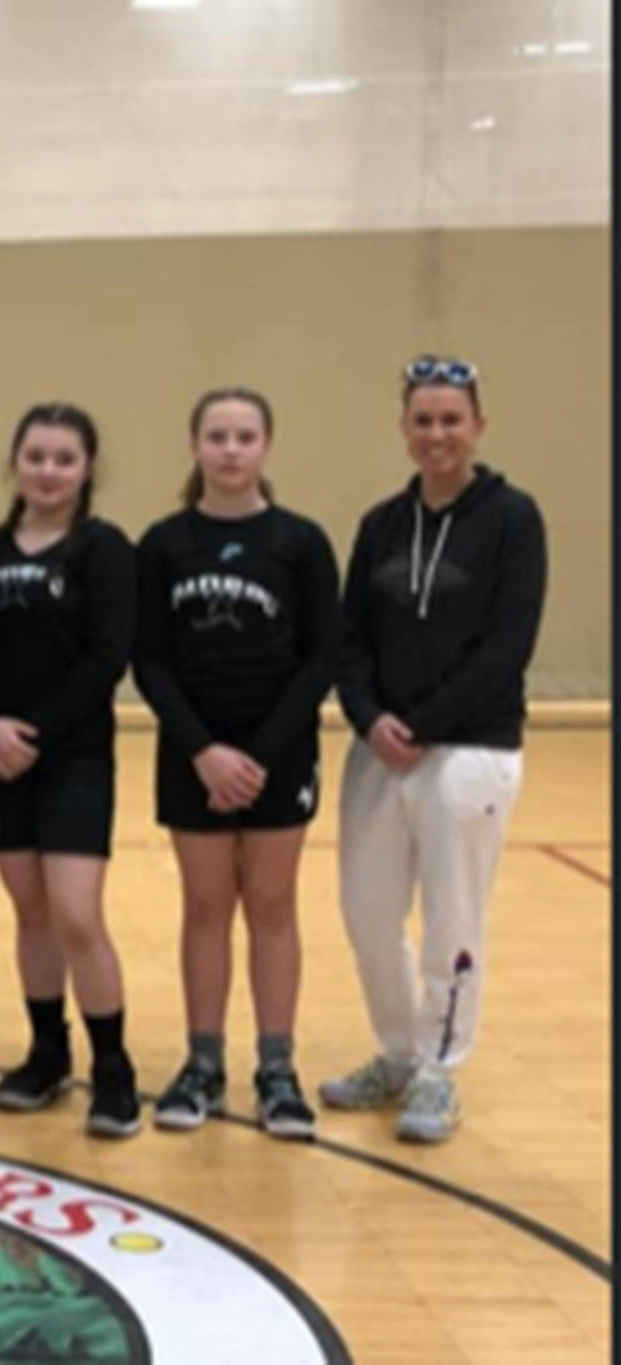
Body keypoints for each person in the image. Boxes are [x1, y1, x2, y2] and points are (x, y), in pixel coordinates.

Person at [324, 355, 546, 1143]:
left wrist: (421, 721)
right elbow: (349, 638)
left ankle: (438, 1069)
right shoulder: (382, 523)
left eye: (452, 418)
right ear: (405, 430)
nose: (438, 433)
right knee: (366, 909)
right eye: (424, 420)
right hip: (380, 749)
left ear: (478, 425)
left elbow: (507, 643)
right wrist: (371, 715)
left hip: (470, 750)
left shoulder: (513, 518)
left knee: (455, 912)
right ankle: (396, 1049)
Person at [133, 388, 337, 1141]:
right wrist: (203, 751)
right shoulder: (162, 543)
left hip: (278, 751)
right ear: (195, 445)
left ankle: (277, 1067)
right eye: (216, 435)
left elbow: (322, 657)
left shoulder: (301, 541)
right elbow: (148, 658)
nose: (229, 449)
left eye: (244, 435)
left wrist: (257, 755)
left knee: (273, 904)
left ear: (265, 445)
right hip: (194, 751)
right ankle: (204, 1061)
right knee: (206, 906)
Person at [0, 403, 140, 1137]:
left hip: (72, 754)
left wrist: (36, 730)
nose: (48, 471)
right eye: (36, 456)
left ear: (87, 468)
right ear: (15, 463)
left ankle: (113, 1067)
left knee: (75, 912)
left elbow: (109, 655)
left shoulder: (103, 550)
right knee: (30, 910)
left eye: (64, 458)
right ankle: (47, 1051)